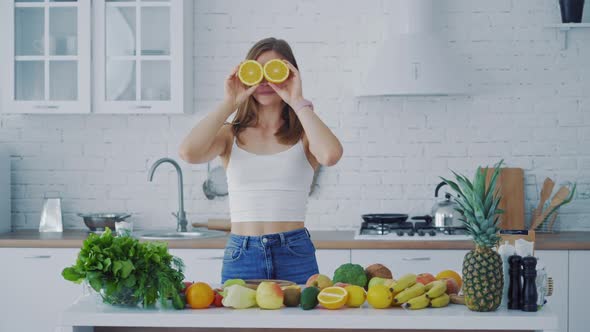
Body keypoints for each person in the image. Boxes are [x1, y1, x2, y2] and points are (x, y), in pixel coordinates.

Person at [179, 37, 343, 284]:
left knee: (300, 323)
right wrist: (230, 102)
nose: (265, 81)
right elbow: (188, 152)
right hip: (242, 253)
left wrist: (297, 101)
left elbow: (331, 155)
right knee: (241, 324)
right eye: (258, 71)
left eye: (273, 71)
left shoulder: (305, 134)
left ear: (290, 75)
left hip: (294, 252)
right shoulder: (229, 134)